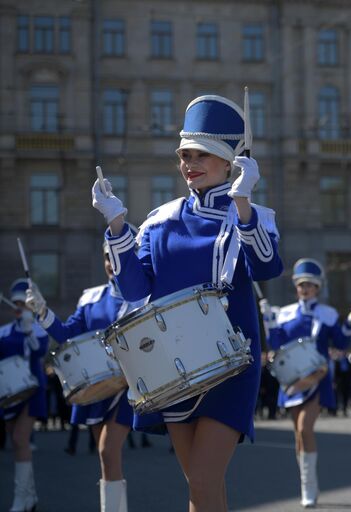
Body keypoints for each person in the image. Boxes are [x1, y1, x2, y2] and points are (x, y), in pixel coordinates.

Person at [91, 94, 283, 511]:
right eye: (185, 155)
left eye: (202, 155)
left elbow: (266, 268)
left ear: (229, 162)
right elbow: (132, 289)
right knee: (199, 489)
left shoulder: (253, 215)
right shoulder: (161, 220)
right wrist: (117, 223)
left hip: (231, 363)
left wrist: (243, 203)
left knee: (203, 477)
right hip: (170, 366)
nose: (189, 164)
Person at [25, 238, 145, 511]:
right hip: (97, 384)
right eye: (106, 257)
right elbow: (67, 334)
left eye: (117, 256)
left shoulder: (142, 298)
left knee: (107, 449)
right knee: (107, 459)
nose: (111, 263)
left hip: (131, 386)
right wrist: (42, 312)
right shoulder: (91, 298)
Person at [259, 258, 351, 507]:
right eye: (301, 285)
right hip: (292, 380)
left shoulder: (327, 314)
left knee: (305, 428)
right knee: (298, 434)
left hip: (318, 378)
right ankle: (307, 486)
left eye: (310, 285)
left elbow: (340, 344)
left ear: (318, 287)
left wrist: (350, 322)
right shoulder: (284, 313)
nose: (305, 289)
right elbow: (275, 344)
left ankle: (310, 486)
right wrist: (267, 319)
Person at [1, 279, 49, 512]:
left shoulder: (38, 329)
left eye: (23, 303)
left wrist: (30, 328)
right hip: (8, 392)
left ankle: (21, 499)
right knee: (17, 442)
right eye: (16, 303)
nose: (19, 307)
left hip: (31, 389)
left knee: (21, 438)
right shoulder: (4, 331)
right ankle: (30, 497)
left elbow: (40, 350)